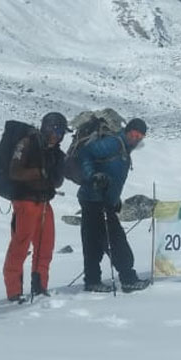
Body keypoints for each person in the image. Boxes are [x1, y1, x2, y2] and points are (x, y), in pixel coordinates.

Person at [77, 117, 150, 293]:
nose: (136, 138)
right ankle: (127, 278)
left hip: (97, 199)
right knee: (115, 239)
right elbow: (85, 154)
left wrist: (114, 200)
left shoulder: (124, 148)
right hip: (95, 198)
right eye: (134, 134)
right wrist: (93, 176)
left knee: (92, 242)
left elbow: (113, 176)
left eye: (140, 136)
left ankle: (92, 280)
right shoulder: (113, 143)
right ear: (127, 131)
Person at [2, 112, 67, 302]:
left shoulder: (56, 152)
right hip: (25, 202)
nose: (57, 134)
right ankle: (14, 291)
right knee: (20, 246)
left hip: (45, 203)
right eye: (54, 129)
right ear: (45, 127)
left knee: (45, 246)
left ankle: (40, 286)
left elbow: (56, 181)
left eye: (61, 131)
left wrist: (55, 174)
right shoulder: (27, 143)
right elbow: (14, 171)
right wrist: (39, 172)